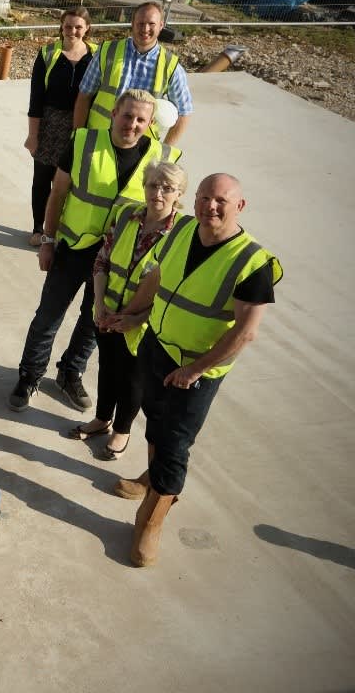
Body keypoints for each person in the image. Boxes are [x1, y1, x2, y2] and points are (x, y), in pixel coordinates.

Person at [112, 173, 281, 567]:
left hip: (199, 370)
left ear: (240, 206)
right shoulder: (182, 229)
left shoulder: (253, 263)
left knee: (175, 442)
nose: (211, 206)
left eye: (221, 200)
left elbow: (246, 332)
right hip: (158, 347)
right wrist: (134, 315)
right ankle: (151, 480)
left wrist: (196, 369)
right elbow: (157, 277)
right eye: (204, 197)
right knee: (154, 420)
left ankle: (152, 521)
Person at [9, 89, 182, 414]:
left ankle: (70, 372)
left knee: (95, 321)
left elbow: (167, 204)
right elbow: (58, 192)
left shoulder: (160, 156)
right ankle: (29, 375)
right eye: (127, 115)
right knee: (48, 316)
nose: (132, 124)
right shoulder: (84, 142)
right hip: (73, 247)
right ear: (114, 113)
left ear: (149, 124)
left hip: (119, 259)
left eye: (140, 119)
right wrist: (47, 240)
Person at [65, 160, 187, 459]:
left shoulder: (181, 235)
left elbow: (172, 290)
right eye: (152, 185)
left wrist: (136, 318)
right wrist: (99, 301)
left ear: (179, 194)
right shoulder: (126, 215)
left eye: (167, 188)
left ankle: (122, 431)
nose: (157, 192)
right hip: (108, 313)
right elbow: (102, 260)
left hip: (142, 323)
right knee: (108, 367)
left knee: (134, 378)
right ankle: (102, 420)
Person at [73, 1, 190, 145]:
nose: (145, 29)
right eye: (140, 23)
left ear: (161, 25)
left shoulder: (171, 66)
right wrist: (77, 138)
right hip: (100, 140)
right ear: (132, 23)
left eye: (151, 24)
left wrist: (164, 152)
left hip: (140, 150)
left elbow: (184, 113)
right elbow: (84, 95)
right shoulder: (107, 52)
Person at [26, 8, 94, 247]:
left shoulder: (96, 56)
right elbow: (36, 98)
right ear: (61, 27)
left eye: (78, 27)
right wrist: (32, 135)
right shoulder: (48, 54)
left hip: (81, 125)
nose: (73, 31)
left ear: (87, 28)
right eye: (68, 26)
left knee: (70, 182)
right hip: (50, 124)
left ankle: (61, 228)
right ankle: (38, 228)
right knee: (43, 179)